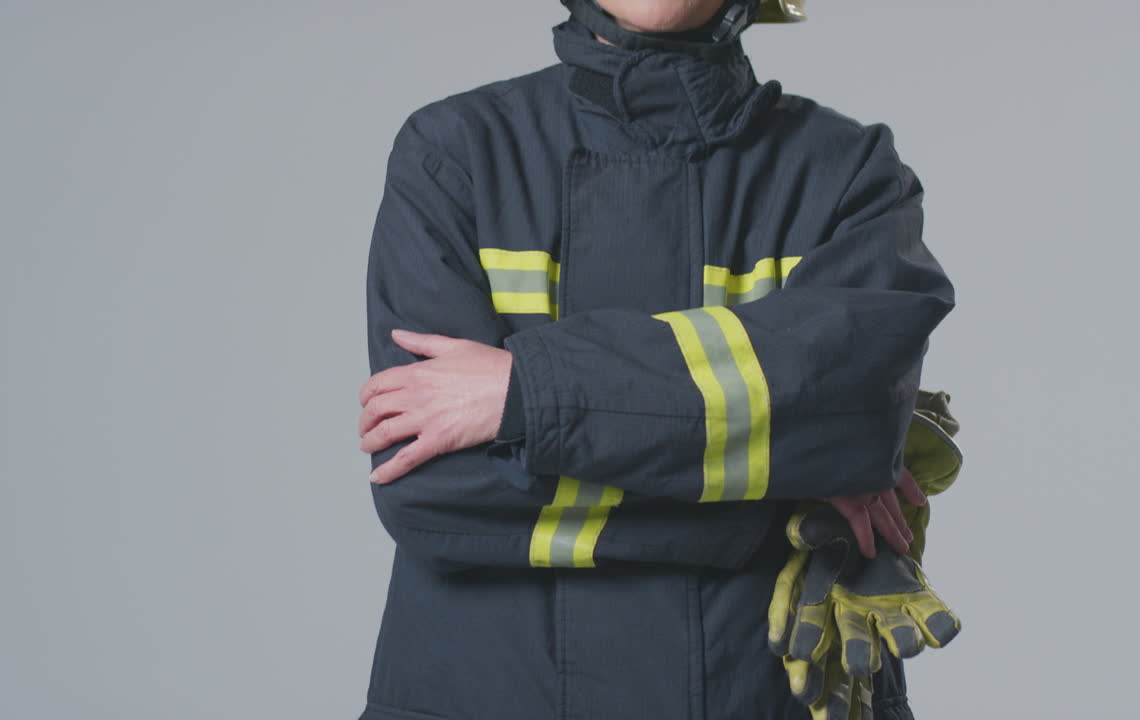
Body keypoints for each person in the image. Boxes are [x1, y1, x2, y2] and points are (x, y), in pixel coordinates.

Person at [355, 2, 956, 718]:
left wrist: (529, 394)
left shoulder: (848, 175)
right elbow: (435, 492)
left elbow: (855, 420)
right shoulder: (454, 155)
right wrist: (781, 487)